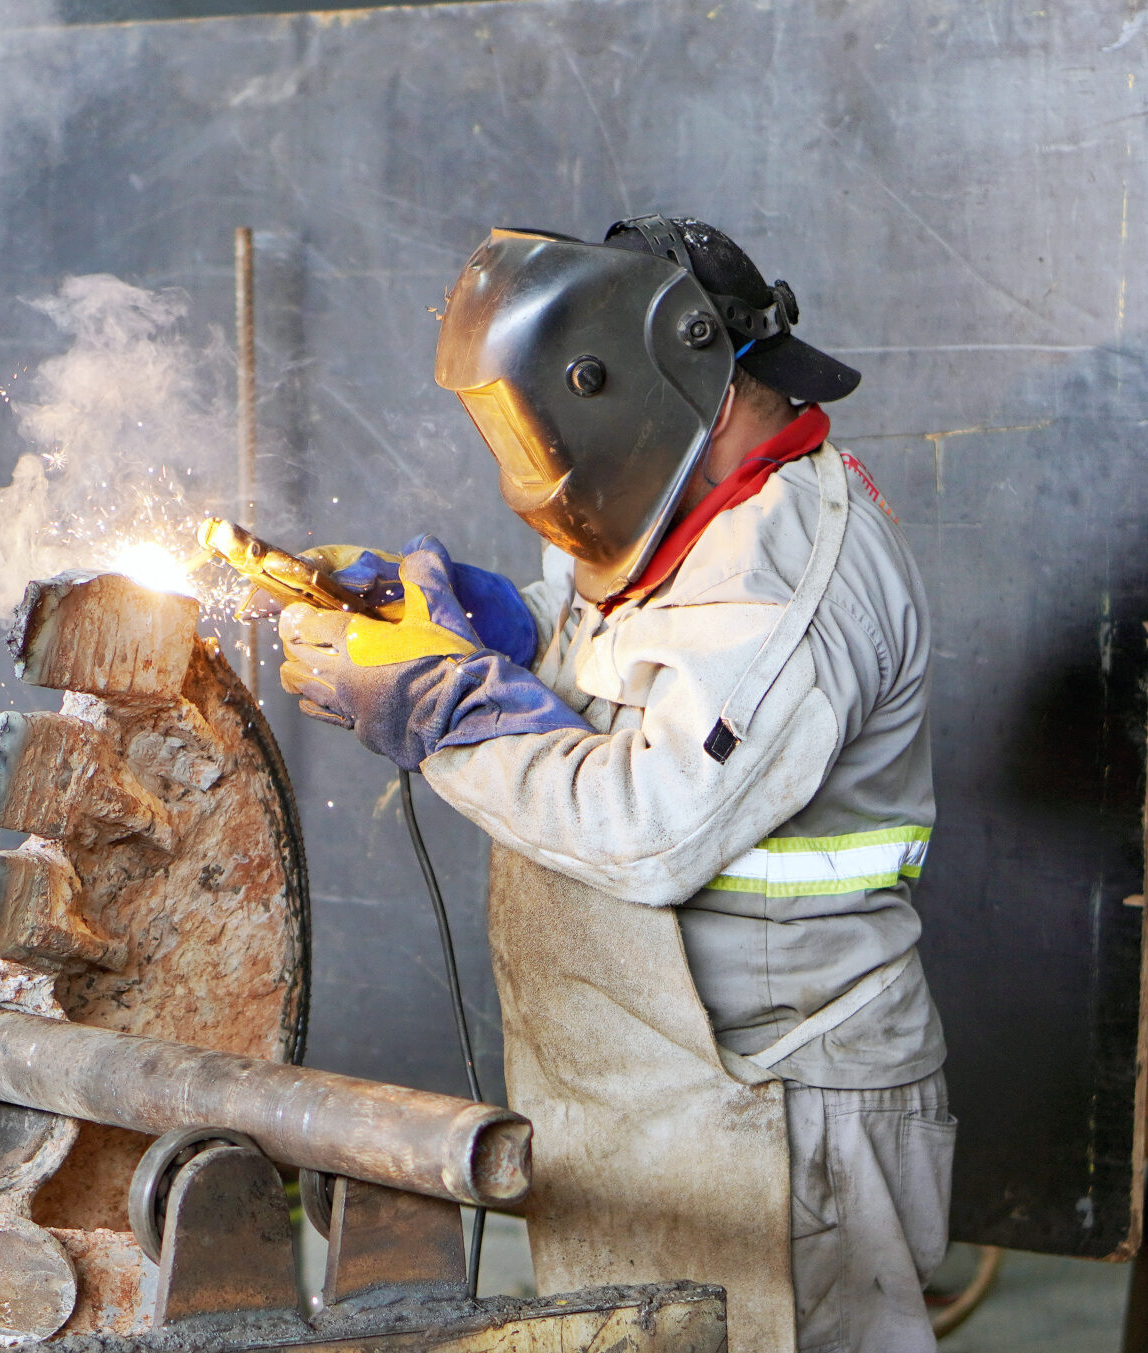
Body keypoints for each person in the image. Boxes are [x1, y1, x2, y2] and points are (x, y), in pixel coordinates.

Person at [271, 216, 951, 1353]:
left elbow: (650, 825)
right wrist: (485, 627)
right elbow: (615, 658)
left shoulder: (786, 577)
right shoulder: (681, 507)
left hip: (782, 1112)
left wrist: (437, 710)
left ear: (666, 382)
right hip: (658, 1097)